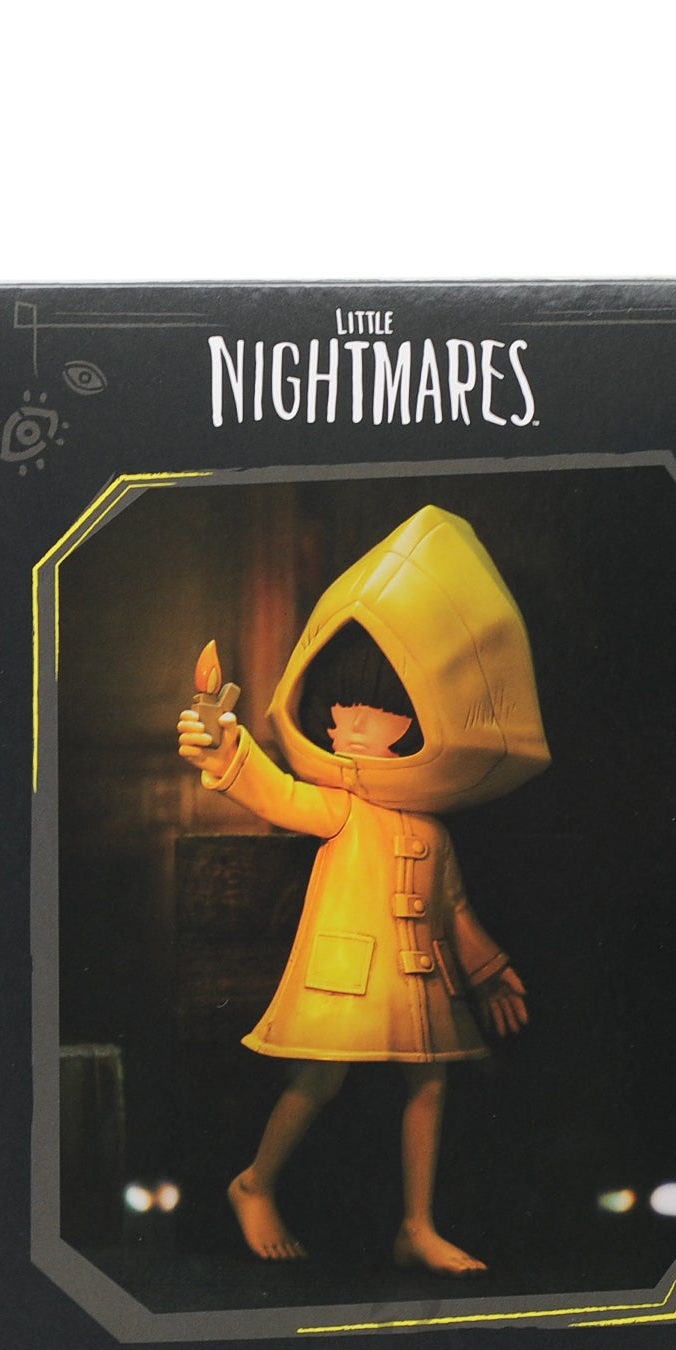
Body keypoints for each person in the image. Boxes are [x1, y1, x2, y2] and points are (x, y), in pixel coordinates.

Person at [177, 506, 550, 1277]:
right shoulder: (343, 808)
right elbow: (279, 793)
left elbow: (453, 908)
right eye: (340, 712)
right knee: (318, 1076)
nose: (346, 727)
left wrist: (488, 969)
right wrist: (226, 751)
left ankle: (417, 1224)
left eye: (369, 714)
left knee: (431, 1081)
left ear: (412, 722)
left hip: (418, 980)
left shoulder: (432, 831)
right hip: (347, 978)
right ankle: (254, 1183)